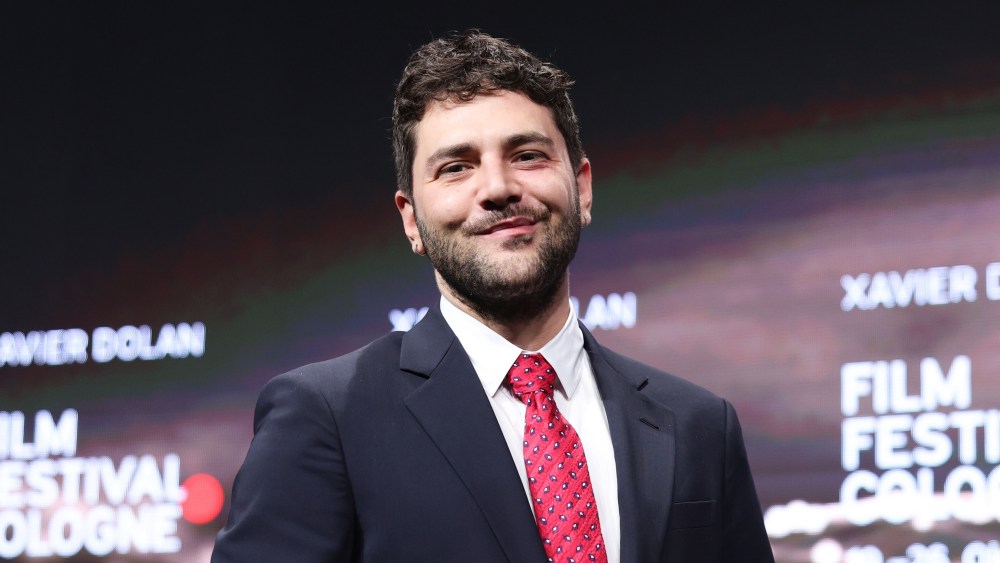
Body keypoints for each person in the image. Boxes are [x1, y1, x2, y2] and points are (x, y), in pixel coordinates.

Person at [212, 30, 774, 563]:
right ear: (411, 220)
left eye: (527, 155)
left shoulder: (699, 425)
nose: (498, 188)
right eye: (456, 168)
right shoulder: (325, 417)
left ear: (581, 188)